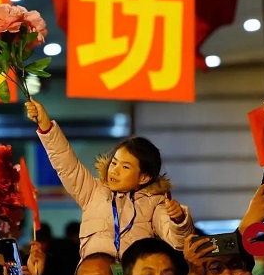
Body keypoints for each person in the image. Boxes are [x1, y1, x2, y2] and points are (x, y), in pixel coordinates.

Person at [25, 98, 194, 260]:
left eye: (125, 167)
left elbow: (178, 243)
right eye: (114, 163)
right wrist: (46, 126)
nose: (115, 170)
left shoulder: (156, 204)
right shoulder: (92, 190)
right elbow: (67, 165)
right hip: (93, 273)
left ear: (144, 177)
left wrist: (179, 220)